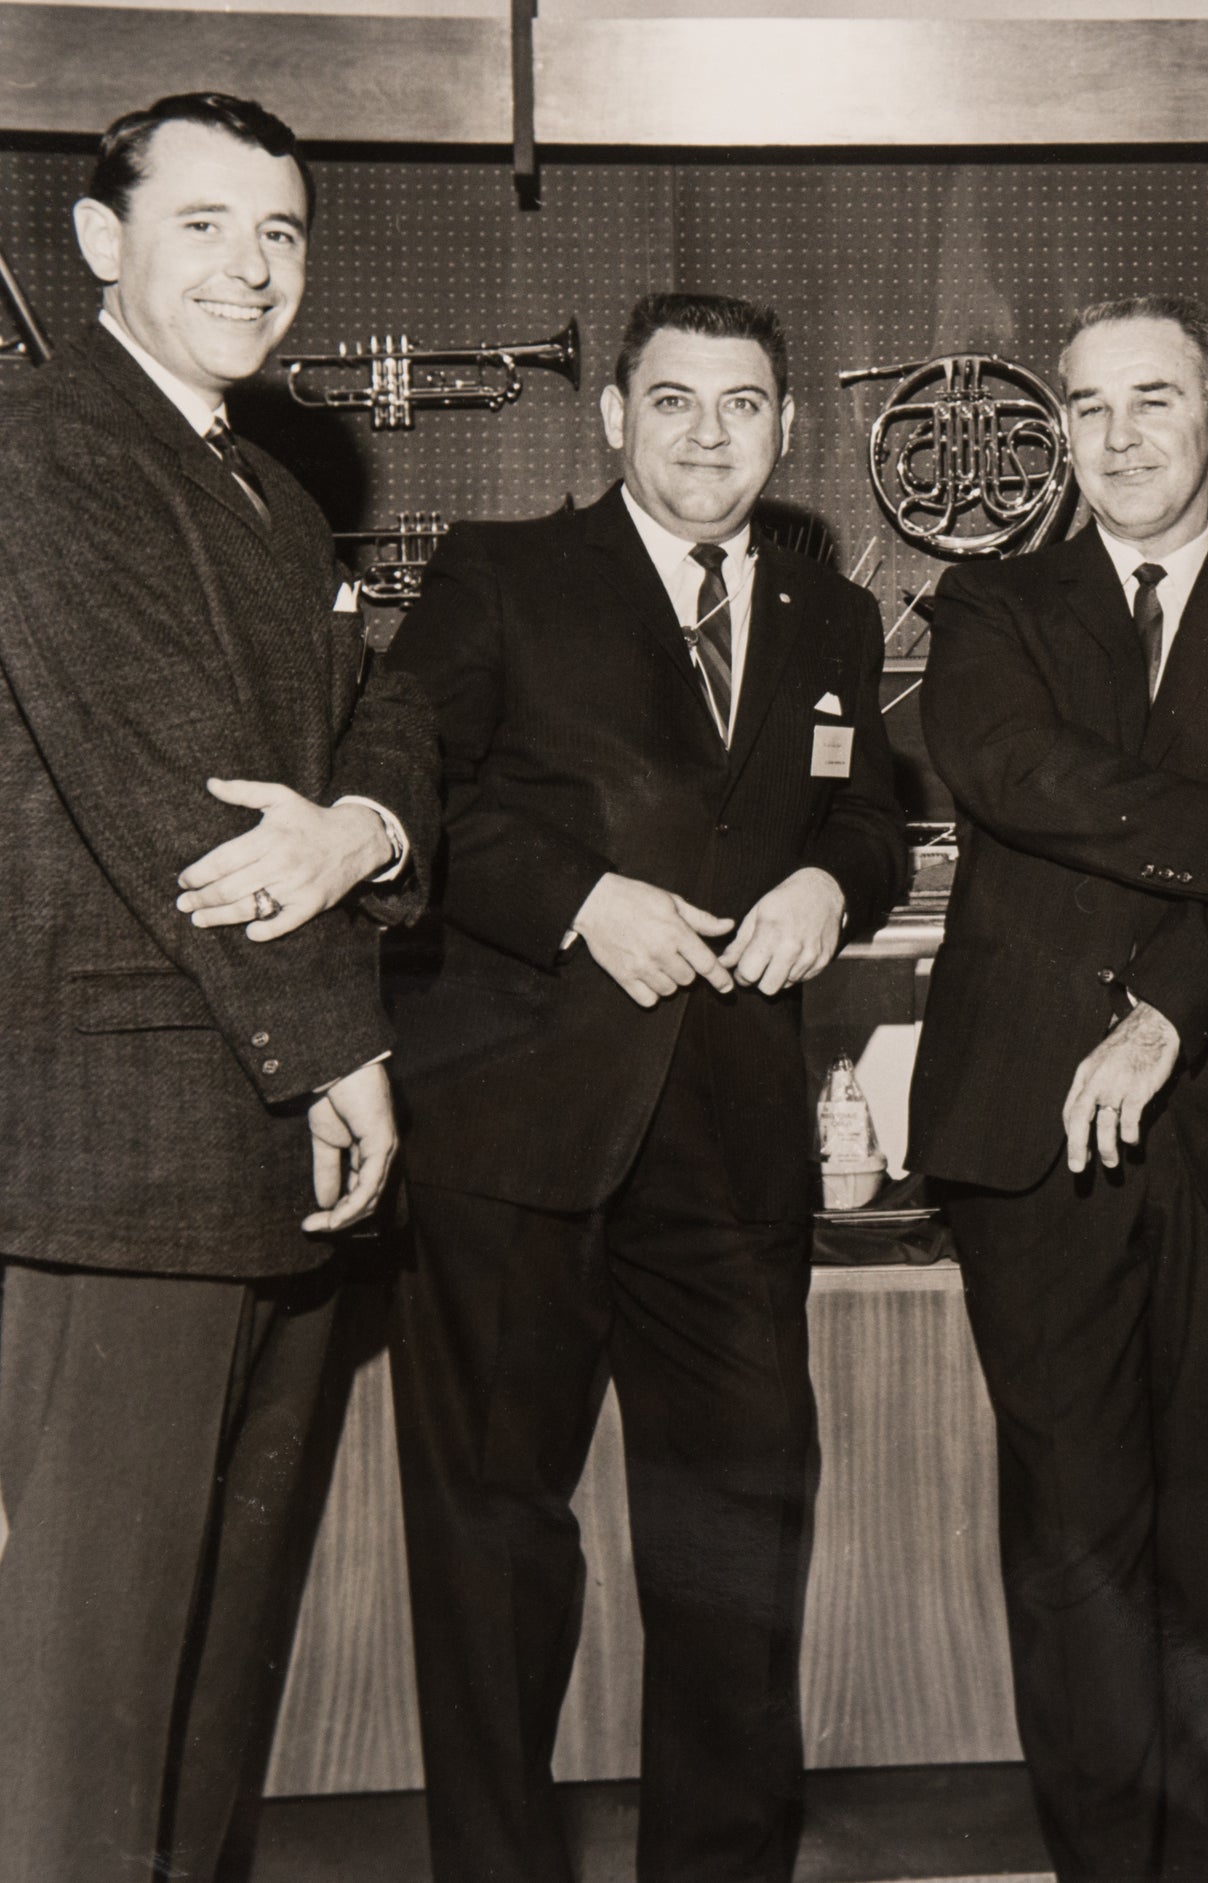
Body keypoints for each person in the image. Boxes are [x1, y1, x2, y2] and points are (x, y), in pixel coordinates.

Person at [379, 291, 906, 1883]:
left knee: (738, 1548)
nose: (707, 435)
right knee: (493, 1553)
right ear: (613, 416)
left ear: (787, 429)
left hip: (731, 1155)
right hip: (512, 1137)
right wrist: (578, 900)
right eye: (673, 400)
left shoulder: (833, 615)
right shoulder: (501, 573)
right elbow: (408, 789)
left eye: (741, 405)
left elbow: (866, 814)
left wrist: (836, 882)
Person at [0, 92, 438, 1883]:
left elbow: (373, 717)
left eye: (280, 233)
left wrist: (362, 825)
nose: (253, 268)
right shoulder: (47, 447)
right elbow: (185, 807)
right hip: (121, 1156)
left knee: (200, 1711)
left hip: (250, 1150)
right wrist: (343, 1053)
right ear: (101, 243)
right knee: (84, 1724)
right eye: (204, 225)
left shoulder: (261, 486)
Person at [909, 295, 1208, 1883]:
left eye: (1154, 399)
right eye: (1088, 407)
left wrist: (1164, 1017)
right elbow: (1012, 773)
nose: (1119, 435)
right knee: (1075, 1552)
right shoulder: (989, 606)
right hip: (1033, 1137)